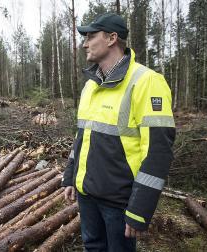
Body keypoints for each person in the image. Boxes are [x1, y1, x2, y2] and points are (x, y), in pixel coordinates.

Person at [62, 13, 175, 251]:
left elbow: (158, 151)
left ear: (112, 38)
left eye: (91, 36)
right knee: (92, 247)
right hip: (87, 194)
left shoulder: (146, 81)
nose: (84, 43)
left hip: (118, 201)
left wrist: (140, 206)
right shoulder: (90, 85)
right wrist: (71, 176)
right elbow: (82, 137)